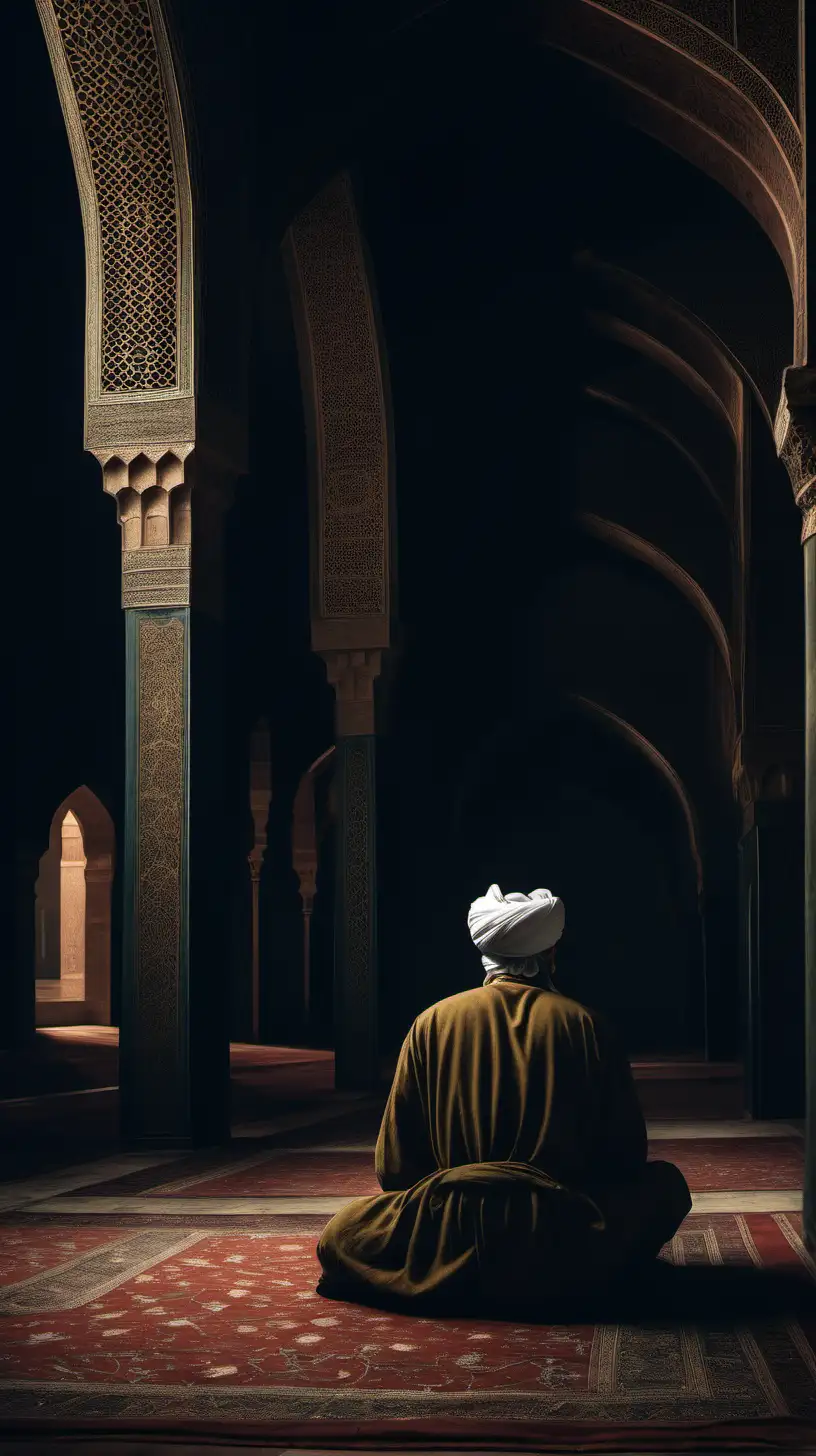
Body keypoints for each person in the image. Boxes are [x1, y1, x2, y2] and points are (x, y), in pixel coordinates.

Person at [316, 883, 691, 1314]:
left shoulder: (431, 1022)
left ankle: (451, 1275)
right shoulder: (586, 1023)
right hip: (560, 1232)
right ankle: (562, 1277)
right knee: (667, 1186)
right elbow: (624, 1158)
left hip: (448, 1227)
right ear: (549, 955)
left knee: (343, 1233)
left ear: (486, 957)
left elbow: (395, 1168)